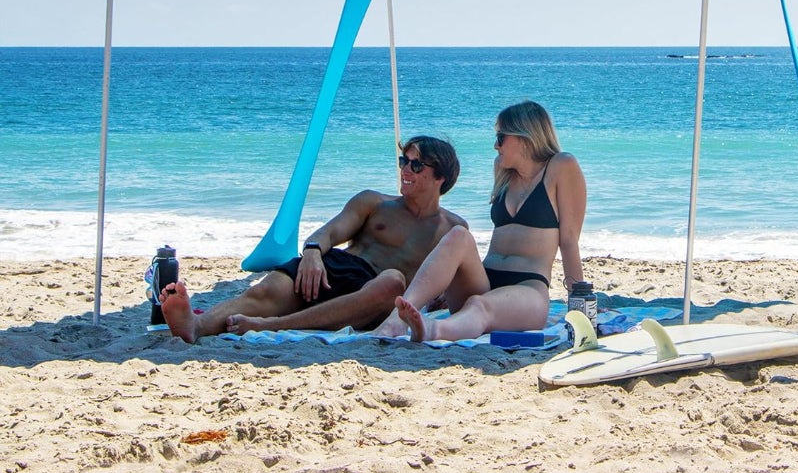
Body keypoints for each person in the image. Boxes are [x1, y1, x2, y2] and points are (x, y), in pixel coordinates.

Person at [159, 136, 466, 342]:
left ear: (441, 177)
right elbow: (329, 232)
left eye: (416, 165)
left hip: (376, 292)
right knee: (265, 292)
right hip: (335, 267)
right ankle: (195, 325)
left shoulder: (453, 229)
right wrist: (312, 252)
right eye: (403, 161)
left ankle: (272, 326)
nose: (405, 170)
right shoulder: (374, 202)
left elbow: (456, 281)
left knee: (394, 282)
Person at [372, 101, 586, 342]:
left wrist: (580, 307)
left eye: (501, 137)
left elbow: (568, 240)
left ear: (525, 136)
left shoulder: (561, 166)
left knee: (478, 305)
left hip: (527, 289)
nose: (495, 145)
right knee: (458, 235)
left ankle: (433, 330)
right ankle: (396, 321)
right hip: (483, 280)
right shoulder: (502, 169)